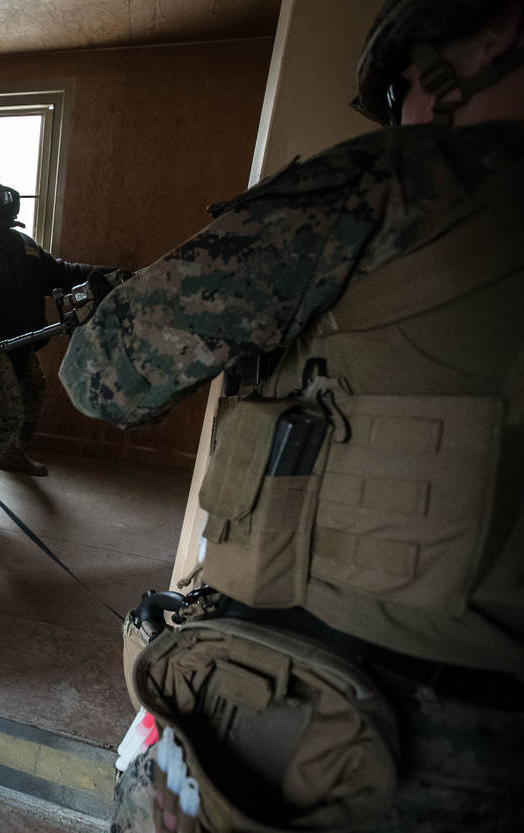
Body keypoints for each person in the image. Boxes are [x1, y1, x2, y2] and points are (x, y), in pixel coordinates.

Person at [57, 0, 524, 830]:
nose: (403, 116)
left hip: (318, 720)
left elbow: (103, 379)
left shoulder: (400, 182)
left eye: (405, 87)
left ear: (498, 32)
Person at [0, 181, 107, 503]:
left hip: (24, 343)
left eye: (3, 199)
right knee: (7, 414)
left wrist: (105, 275)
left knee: (33, 395)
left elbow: (60, 272)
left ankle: (13, 453)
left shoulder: (24, 244)